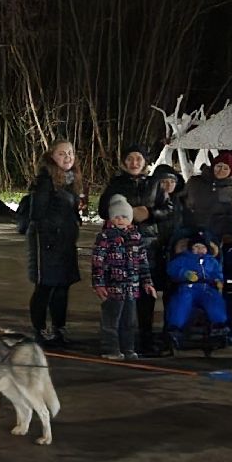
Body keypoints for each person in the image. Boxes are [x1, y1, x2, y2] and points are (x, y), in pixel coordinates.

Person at [97, 144, 165, 353]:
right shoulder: (116, 184)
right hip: (120, 245)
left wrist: (150, 213)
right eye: (130, 159)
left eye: (138, 159)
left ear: (145, 162)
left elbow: (168, 208)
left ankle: (145, 338)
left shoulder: (154, 184)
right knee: (121, 297)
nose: (134, 163)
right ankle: (116, 342)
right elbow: (102, 210)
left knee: (145, 293)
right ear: (124, 162)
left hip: (148, 243)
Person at [26, 139, 85, 347]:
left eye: (70, 153)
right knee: (45, 288)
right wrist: (49, 238)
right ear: (52, 156)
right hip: (48, 244)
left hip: (66, 243)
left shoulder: (70, 180)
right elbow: (37, 214)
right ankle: (40, 330)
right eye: (62, 153)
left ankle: (60, 329)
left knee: (62, 289)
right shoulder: (45, 181)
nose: (68, 157)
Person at [92, 197, 155, 360]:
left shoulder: (136, 238)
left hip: (131, 288)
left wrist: (147, 282)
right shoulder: (105, 237)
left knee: (129, 321)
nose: (121, 220)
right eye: (117, 217)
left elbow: (143, 262)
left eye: (125, 217)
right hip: (113, 288)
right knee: (111, 320)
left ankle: (128, 348)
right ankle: (110, 349)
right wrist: (99, 284)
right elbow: (97, 262)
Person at [165, 232, 227, 336]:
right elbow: (172, 269)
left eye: (203, 247)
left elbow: (218, 272)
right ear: (191, 248)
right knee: (181, 301)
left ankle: (219, 324)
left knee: (215, 300)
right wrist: (184, 273)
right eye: (197, 247)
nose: (200, 250)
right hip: (188, 287)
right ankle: (175, 326)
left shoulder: (211, 261)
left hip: (206, 288)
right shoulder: (183, 259)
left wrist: (218, 280)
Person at [186, 152, 232, 244]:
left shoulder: (231, 192)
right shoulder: (195, 182)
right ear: (213, 166)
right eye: (219, 166)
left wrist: (229, 233)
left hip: (217, 235)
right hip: (192, 231)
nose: (221, 170)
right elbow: (182, 202)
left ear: (230, 172)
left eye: (226, 168)